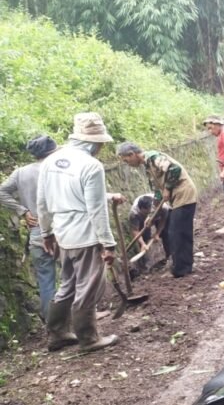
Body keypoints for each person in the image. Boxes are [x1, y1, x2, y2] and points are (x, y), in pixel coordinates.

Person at [37, 112, 120, 353]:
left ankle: (58, 333)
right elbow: (96, 208)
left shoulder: (50, 161)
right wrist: (108, 243)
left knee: (68, 284)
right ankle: (89, 338)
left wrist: (47, 233)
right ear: (94, 142)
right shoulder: (92, 165)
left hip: (62, 234)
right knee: (87, 285)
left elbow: (41, 202)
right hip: (85, 235)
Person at [116, 142, 198, 277]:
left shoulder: (153, 158)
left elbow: (174, 169)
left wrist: (168, 187)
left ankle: (181, 269)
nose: (127, 163)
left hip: (184, 195)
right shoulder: (148, 166)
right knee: (179, 232)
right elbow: (157, 192)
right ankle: (183, 267)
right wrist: (152, 215)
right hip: (178, 198)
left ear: (132, 154)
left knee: (177, 233)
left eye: (127, 160)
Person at [0, 135, 59, 321]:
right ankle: (77, 319)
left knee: (45, 280)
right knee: (72, 275)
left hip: (37, 234)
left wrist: (22, 211)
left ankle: (53, 325)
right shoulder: (58, 168)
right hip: (63, 231)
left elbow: (2, 192)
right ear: (53, 151)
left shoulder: (21, 173)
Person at [128, 194, 170, 269]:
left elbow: (163, 220)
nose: (146, 214)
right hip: (141, 218)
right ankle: (146, 264)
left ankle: (170, 256)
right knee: (144, 237)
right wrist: (143, 243)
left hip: (156, 214)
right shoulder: (134, 213)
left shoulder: (161, 207)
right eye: (145, 213)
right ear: (140, 209)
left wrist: (157, 233)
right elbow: (135, 231)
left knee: (166, 233)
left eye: (148, 212)